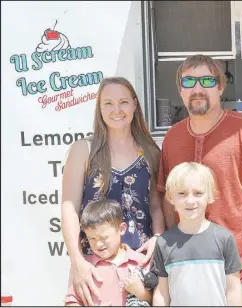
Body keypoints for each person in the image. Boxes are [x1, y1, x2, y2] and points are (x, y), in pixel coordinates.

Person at [157, 55, 242, 306]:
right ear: (180, 90)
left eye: (206, 80)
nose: (197, 88)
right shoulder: (172, 138)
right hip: (186, 269)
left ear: (219, 87)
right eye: (189, 81)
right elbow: (167, 195)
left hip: (238, 272)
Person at [61, 77, 165, 306]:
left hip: (139, 264)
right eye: (108, 103)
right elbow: (69, 207)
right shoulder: (84, 150)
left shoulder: (149, 151)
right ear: (99, 108)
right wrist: (77, 261)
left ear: (135, 104)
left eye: (123, 102)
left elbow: (157, 205)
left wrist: (159, 238)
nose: (116, 110)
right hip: (94, 263)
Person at [152, 162, 242, 306]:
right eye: (181, 194)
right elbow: (162, 293)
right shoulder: (164, 243)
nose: (190, 200)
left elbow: (233, 289)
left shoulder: (224, 239)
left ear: (210, 196)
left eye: (198, 193)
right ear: (170, 198)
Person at [64, 199, 154, 306]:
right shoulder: (85, 268)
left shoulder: (142, 261)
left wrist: (142, 293)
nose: (98, 244)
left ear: (121, 229)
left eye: (104, 237)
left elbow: (161, 299)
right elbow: (71, 302)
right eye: (92, 238)